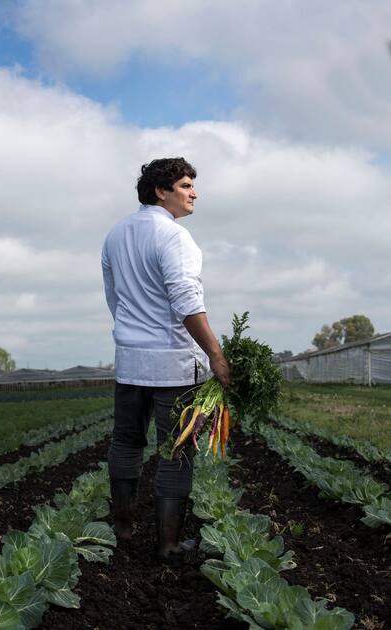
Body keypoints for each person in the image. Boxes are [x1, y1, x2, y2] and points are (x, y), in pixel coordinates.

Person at [101, 157, 230, 560]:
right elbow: (187, 302)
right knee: (175, 451)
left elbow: (114, 299)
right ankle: (169, 546)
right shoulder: (175, 238)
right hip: (173, 366)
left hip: (130, 361)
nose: (194, 192)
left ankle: (122, 530)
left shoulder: (116, 233)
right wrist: (216, 354)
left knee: (125, 442)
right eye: (186, 185)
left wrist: (133, 336)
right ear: (161, 191)